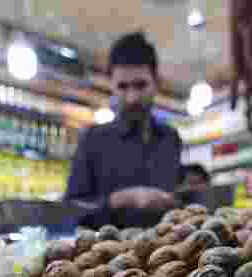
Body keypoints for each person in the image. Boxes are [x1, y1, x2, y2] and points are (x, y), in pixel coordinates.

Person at [65, 32, 183, 228]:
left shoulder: (171, 139)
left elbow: (175, 199)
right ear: (111, 85)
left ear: (156, 83)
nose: (132, 98)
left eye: (140, 85)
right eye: (122, 87)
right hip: (105, 255)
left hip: (166, 254)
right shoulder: (93, 140)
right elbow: (71, 209)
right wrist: (118, 200)